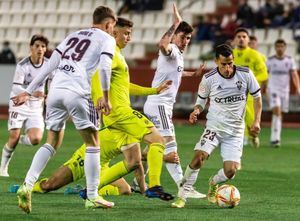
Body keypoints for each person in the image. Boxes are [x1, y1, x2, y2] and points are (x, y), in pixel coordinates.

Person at [11, 6, 117, 213]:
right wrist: (105, 96)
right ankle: (93, 196)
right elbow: (104, 67)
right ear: (108, 24)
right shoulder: (106, 39)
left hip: (55, 91)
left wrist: (28, 91)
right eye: (112, 27)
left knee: (52, 141)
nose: (112, 31)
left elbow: (50, 66)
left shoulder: (73, 35)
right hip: (77, 92)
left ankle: (27, 185)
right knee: (93, 142)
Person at [84, 16, 174, 201]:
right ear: (114, 32)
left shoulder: (116, 55)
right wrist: (99, 97)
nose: (129, 38)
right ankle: (154, 186)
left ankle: (90, 189)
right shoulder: (111, 54)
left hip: (114, 116)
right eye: (126, 33)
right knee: (158, 139)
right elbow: (95, 77)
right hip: (120, 113)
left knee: (133, 161)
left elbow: (126, 86)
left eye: (130, 34)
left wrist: (154, 90)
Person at [171, 44, 262, 208]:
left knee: (231, 171)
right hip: (214, 127)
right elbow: (201, 101)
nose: (228, 68)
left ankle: (213, 183)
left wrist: (256, 121)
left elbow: (257, 98)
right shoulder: (208, 78)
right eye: (223, 64)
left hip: (235, 131)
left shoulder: (246, 74)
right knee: (199, 157)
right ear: (216, 61)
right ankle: (182, 196)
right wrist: (196, 111)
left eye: (230, 63)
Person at [143, 3, 206, 199]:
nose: (186, 40)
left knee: (153, 145)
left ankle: (139, 179)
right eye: (182, 36)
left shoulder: (178, 55)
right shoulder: (170, 47)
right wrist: (175, 23)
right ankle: (183, 186)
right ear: (174, 35)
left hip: (159, 104)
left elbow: (175, 73)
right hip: (160, 104)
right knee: (170, 143)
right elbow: (162, 45)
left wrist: (192, 73)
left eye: (188, 38)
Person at [0, 35, 50, 177]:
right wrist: (33, 94)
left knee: (36, 140)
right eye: (37, 46)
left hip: (35, 107)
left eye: (43, 46)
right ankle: (3, 168)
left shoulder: (48, 64)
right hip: (19, 103)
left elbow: (51, 82)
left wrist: (50, 96)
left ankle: (21, 139)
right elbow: (16, 88)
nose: (40, 49)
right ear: (31, 47)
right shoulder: (23, 65)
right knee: (13, 137)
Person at [233, 28, 268, 148]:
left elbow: (264, 74)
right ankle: (241, 139)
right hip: (234, 92)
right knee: (237, 116)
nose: (241, 39)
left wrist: (251, 81)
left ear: (248, 40)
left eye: (244, 37)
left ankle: (252, 136)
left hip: (250, 94)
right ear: (234, 40)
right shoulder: (230, 55)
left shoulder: (255, 55)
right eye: (238, 36)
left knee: (251, 119)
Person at [266, 39, 300, 147]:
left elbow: (294, 75)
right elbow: (265, 76)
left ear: (285, 47)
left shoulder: (290, 60)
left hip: (285, 91)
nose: (280, 48)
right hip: (273, 89)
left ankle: (275, 137)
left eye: (282, 46)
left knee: (280, 113)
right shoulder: (270, 60)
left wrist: (298, 88)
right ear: (275, 48)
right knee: (277, 110)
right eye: (278, 46)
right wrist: (264, 88)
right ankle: (275, 139)